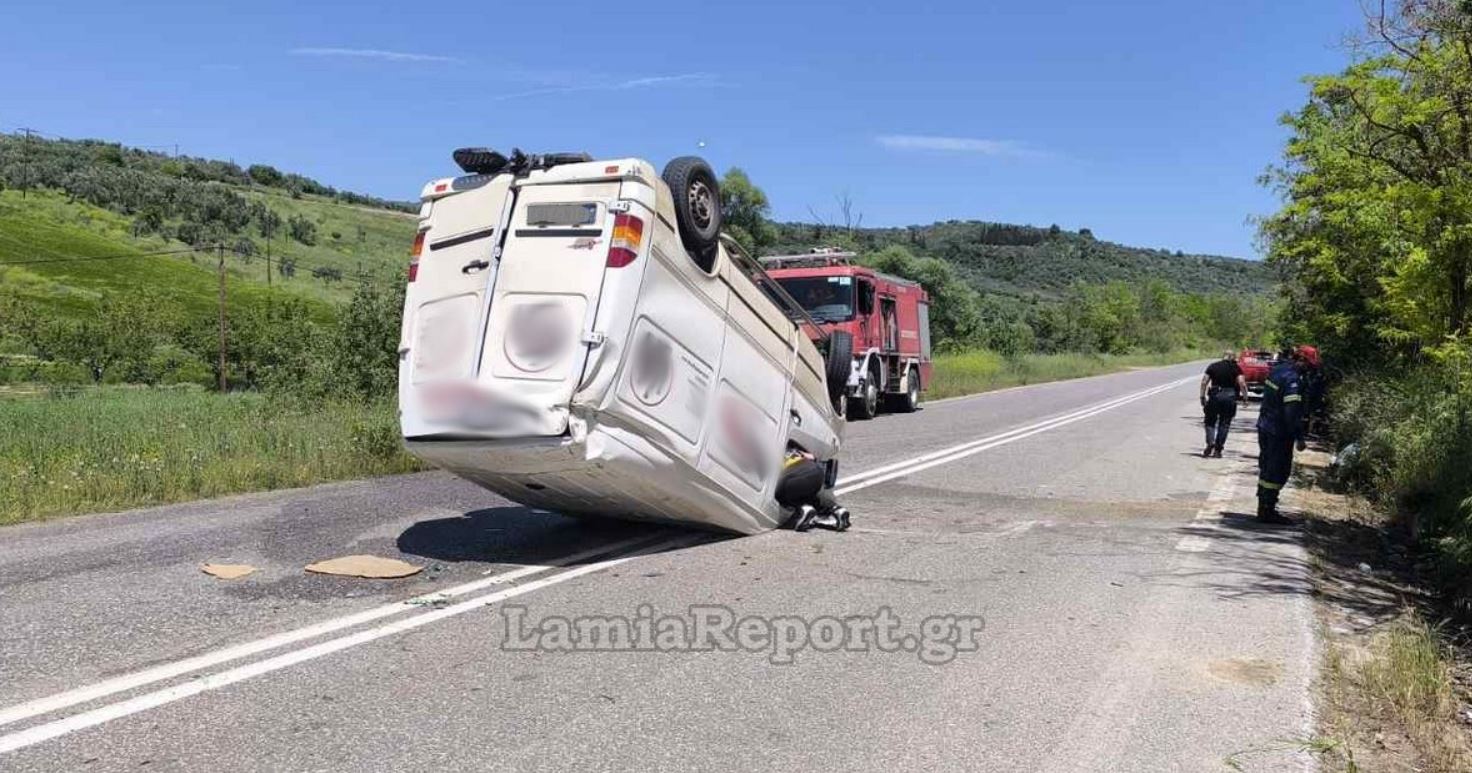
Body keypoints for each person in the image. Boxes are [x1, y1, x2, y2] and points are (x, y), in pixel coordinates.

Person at [1255, 347, 1309, 524]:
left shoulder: (1278, 370)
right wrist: (1299, 436)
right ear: (1300, 360)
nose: (1308, 369)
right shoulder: (1292, 379)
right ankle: (1268, 509)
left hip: (1265, 426)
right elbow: (1291, 412)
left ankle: (1263, 504)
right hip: (1279, 432)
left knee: (1266, 466)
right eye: (1308, 365)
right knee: (1278, 470)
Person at [776, 446, 850, 532]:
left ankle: (802, 508)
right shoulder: (787, 448)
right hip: (816, 472)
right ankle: (835, 509)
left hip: (795, 477)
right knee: (808, 493)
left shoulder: (767, 455)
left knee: (779, 493)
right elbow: (811, 457)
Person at [1200, 351, 1247, 458]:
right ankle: (1218, 450)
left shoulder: (1213, 366)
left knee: (1210, 421)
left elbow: (1204, 382)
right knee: (1224, 423)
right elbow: (1242, 383)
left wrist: (1202, 397)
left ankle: (1210, 442)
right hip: (1230, 396)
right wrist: (1245, 397)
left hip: (1215, 395)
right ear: (1232, 357)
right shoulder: (1236, 368)